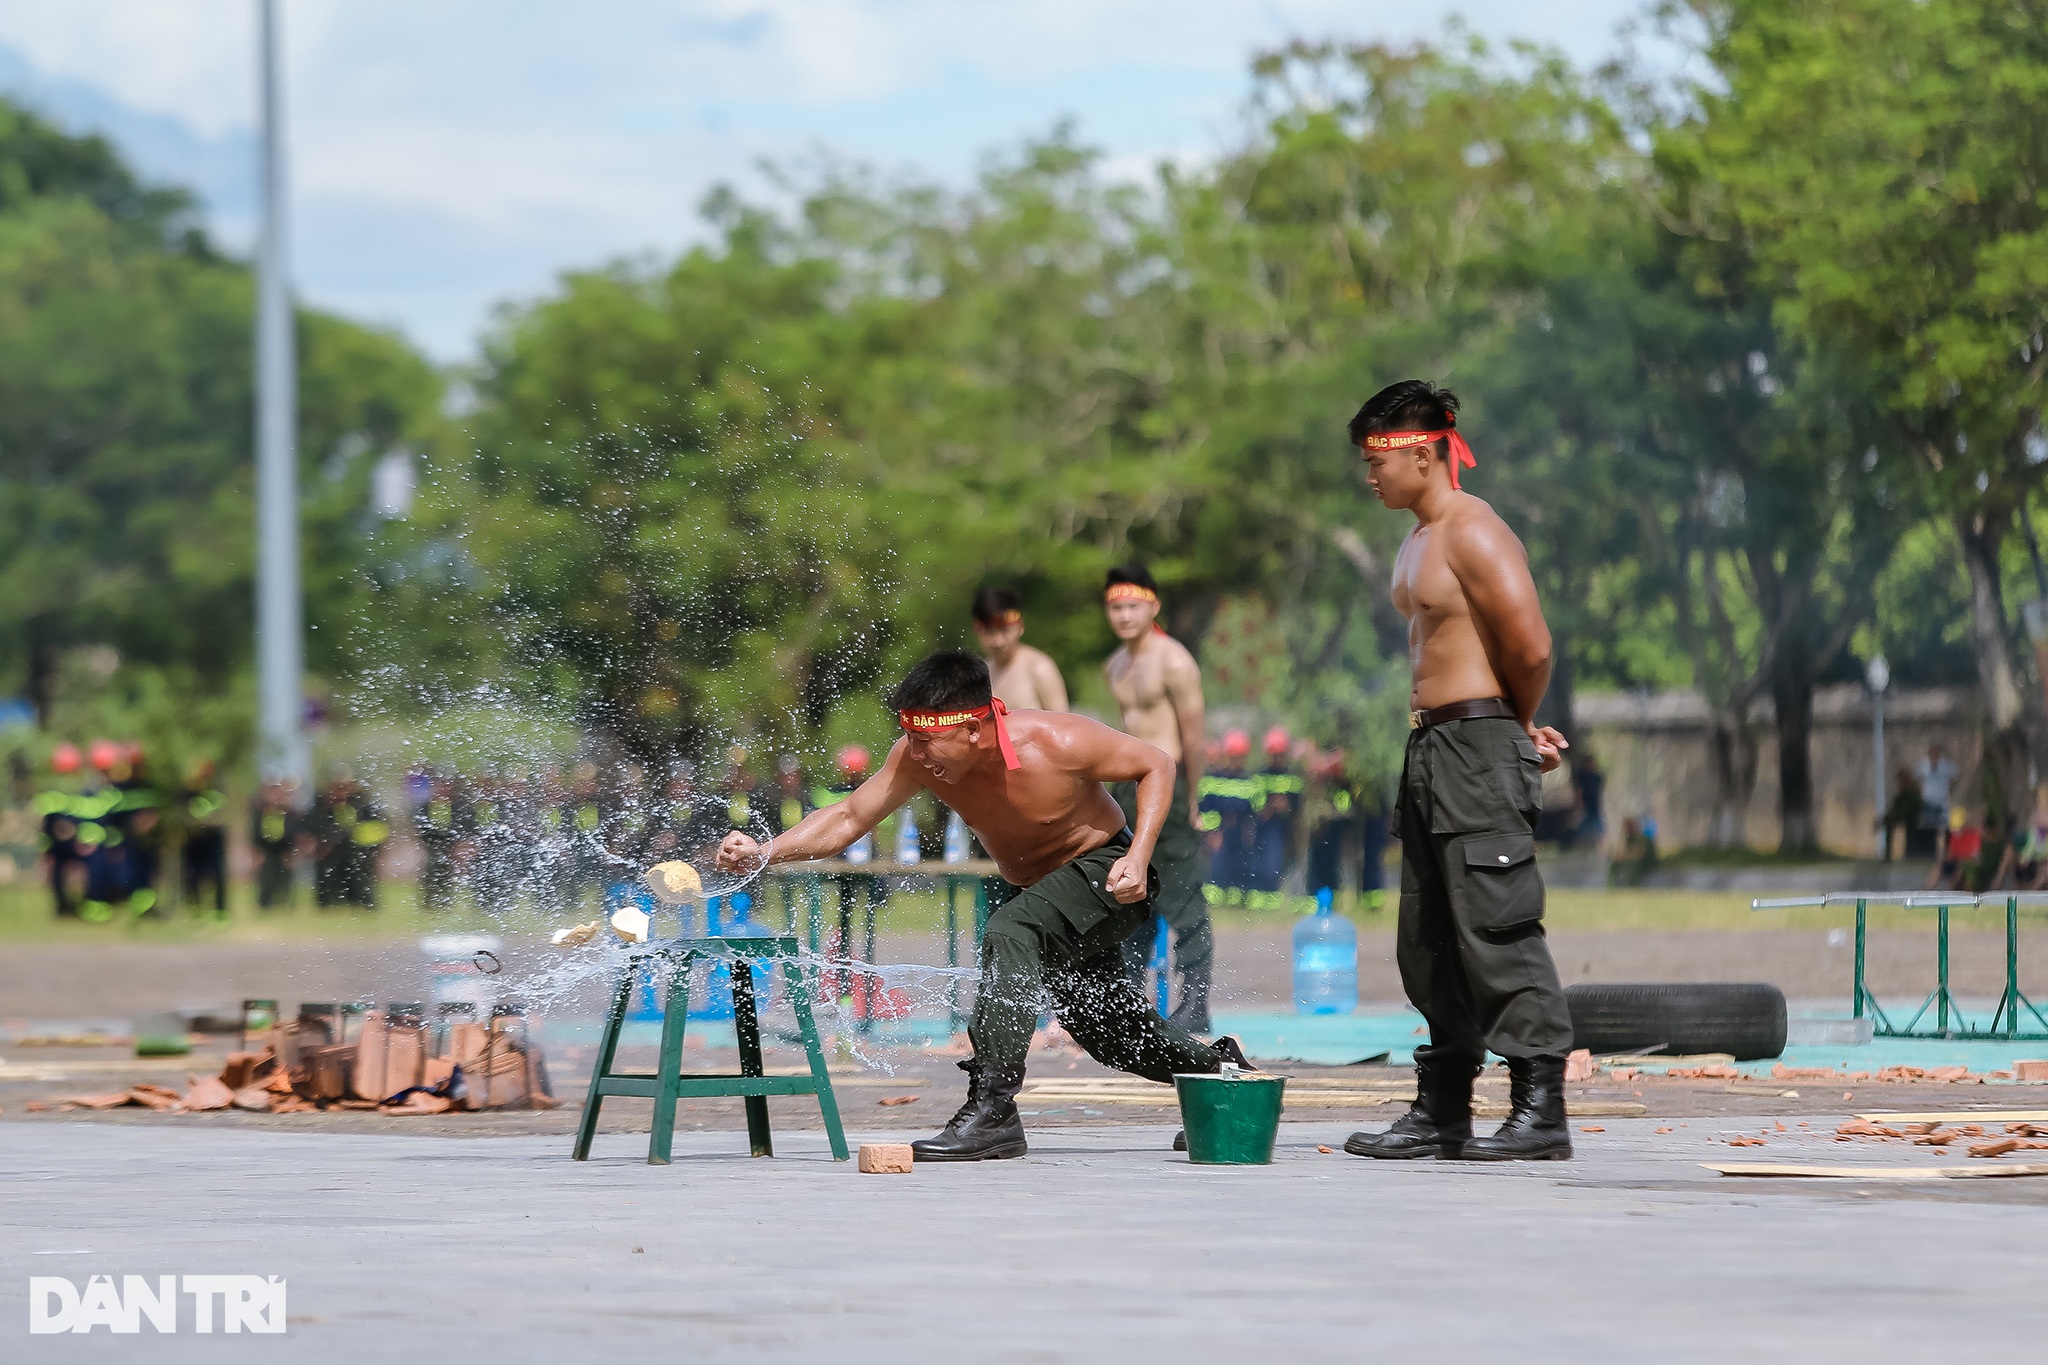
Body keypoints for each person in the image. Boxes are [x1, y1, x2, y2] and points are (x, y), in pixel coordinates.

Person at [717, 650, 1247, 1161]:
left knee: (1010, 929)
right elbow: (851, 816)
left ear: (973, 727)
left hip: (1104, 873)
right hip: (1043, 898)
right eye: (911, 739)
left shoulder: (1054, 740)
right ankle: (1225, 1076)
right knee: (1110, 1032)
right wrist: (767, 853)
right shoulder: (918, 757)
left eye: (930, 742)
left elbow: (1156, 763)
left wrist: (1138, 855)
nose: (918, 755)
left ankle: (994, 1109)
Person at [1343, 379, 1576, 1163]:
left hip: (1478, 744)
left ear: (1422, 453)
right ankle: (1443, 1107)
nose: (1369, 477)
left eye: (1378, 461)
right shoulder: (1415, 537)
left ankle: (1541, 1110)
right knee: (1430, 939)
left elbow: (1532, 645)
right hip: (1431, 749)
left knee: (1498, 930)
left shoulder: (1474, 529)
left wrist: (1510, 722)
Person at [1101, 565, 1216, 1031]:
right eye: (1116, 607)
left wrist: (1195, 799)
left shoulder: (1173, 661)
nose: (1125, 616)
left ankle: (1195, 1001)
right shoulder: (1115, 666)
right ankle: (1130, 1000)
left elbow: (1194, 737)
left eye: (1133, 606)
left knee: (1183, 894)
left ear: (1153, 607)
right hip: (1127, 788)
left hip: (1169, 783)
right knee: (1127, 894)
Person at [971, 587, 1068, 712]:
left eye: (1005, 631)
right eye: (990, 632)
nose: (998, 641)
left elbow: (1063, 726)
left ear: (1020, 627)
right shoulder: (980, 677)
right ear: (977, 631)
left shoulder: (1039, 668)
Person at [1916, 744, 1958, 855]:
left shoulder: (1946, 765)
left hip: (1942, 800)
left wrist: (1949, 790)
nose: (1933, 757)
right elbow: (1917, 779)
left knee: (1944, 826)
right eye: (1932, 754)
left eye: (1935, 754)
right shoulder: (1923, 765)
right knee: (1929, 826)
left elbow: (1954, 777)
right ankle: (1929, 851)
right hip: (1928, 800)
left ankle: (1946, 851)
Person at [1881, 768, 1923, 862]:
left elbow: (1914, 807)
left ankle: (1911, 854)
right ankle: (1888, 853)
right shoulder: (1901, 792)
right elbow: (1895, 805)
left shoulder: (1913, 792)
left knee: (1910, 828)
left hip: (1911, 817)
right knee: (1888, 823)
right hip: (1900, 816)